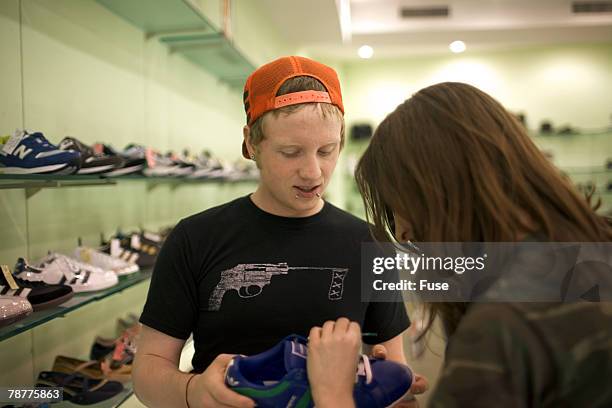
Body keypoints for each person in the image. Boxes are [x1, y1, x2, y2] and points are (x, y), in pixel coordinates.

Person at [305, 82, 612, 407]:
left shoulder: (502, 325)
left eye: (399, 205)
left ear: (437, 190)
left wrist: (333, 393)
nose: (404, 232)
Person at [132, 56, 415, 408]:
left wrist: (389, 389)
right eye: (290, 152)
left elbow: (393, 361)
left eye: (327, 151)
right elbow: (148, 368)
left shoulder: (371, 244)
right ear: (252, 143)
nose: (313, 173)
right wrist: (192, 392)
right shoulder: (194, 238)